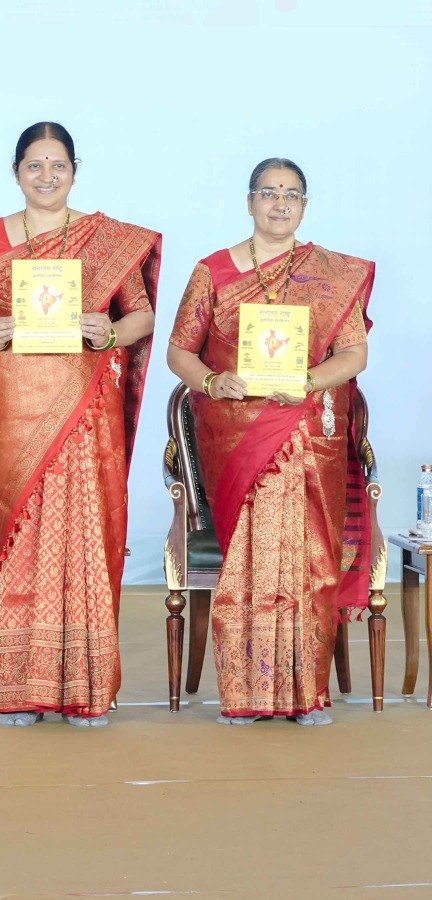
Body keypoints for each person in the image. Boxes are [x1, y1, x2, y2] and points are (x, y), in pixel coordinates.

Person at [0, 122, 160, 728]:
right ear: (16, 172)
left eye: (58, 165)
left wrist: (110, 332)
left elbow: (142, 317)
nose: (46, 176)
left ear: (74, 171)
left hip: (84, 415)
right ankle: (22, 690)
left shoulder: (105, 240)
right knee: (25, 540)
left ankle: (84, 689)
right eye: (34, 165)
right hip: (12, 412)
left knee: (82, 537)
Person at [165, 158, 372, 726]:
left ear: (304, 205)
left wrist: (308, 381)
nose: (280, 204)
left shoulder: (329, 274)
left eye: (292, 194)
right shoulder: (212, 271)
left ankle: (306, 694)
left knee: (308, 564)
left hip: (305, 435)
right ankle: (244, 694)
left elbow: (354, 353)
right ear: (249, 200)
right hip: (236, 439)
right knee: (248, 564)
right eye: (269, 192)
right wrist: (213, 382)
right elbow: (180, 351)